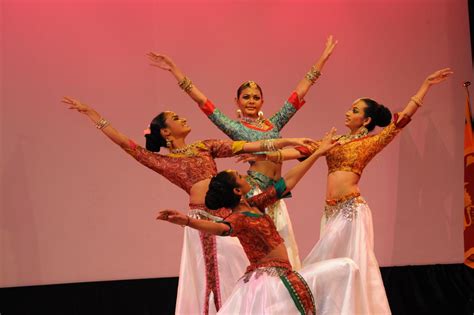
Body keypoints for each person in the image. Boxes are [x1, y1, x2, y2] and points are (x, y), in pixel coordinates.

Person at [61, 96, 314, 315]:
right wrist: (94, 115)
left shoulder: (206, 147)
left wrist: (286, 142)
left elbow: (249, 145)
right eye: (175, 118)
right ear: (166, 132)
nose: (182, 118)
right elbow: (127, 145)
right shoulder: (165, 163)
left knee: (242, 268)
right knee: (214, 277)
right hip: (203, 224)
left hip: (229, 215)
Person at [246, 67, 454, 314]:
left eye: (354, 110)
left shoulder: (370, 142)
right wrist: (262, 153)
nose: (347, 112)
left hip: (351, 211)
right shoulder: (335, 141)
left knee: (353, 264)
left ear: (366, 120)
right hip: (331, 213)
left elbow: (402, 120)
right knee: (328, 267)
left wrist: (426, 85)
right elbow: (303, 152)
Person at [148, 36, 337, 270]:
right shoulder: (235, 127)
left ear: (262, 101)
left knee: (285, 249)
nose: (251, 100)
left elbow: (299, 93)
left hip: (276, 191)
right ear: (236, 100)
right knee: (266, 252)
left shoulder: (274, 124)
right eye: (246, 97)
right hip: (256, 191)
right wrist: (175, 70)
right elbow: (202, 101)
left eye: (256, 97)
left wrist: (322, 59)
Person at [157, 128, 369, 314]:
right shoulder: (238, 218)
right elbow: (219, 228)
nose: (244, 175)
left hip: (282, 277)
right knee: (346, 268)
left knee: (346, 269)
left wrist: (318, 154)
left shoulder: (256, 204)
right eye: (239, 176)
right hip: (271, 283)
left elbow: (289, 181)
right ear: (237, 190)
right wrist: (186, 221)